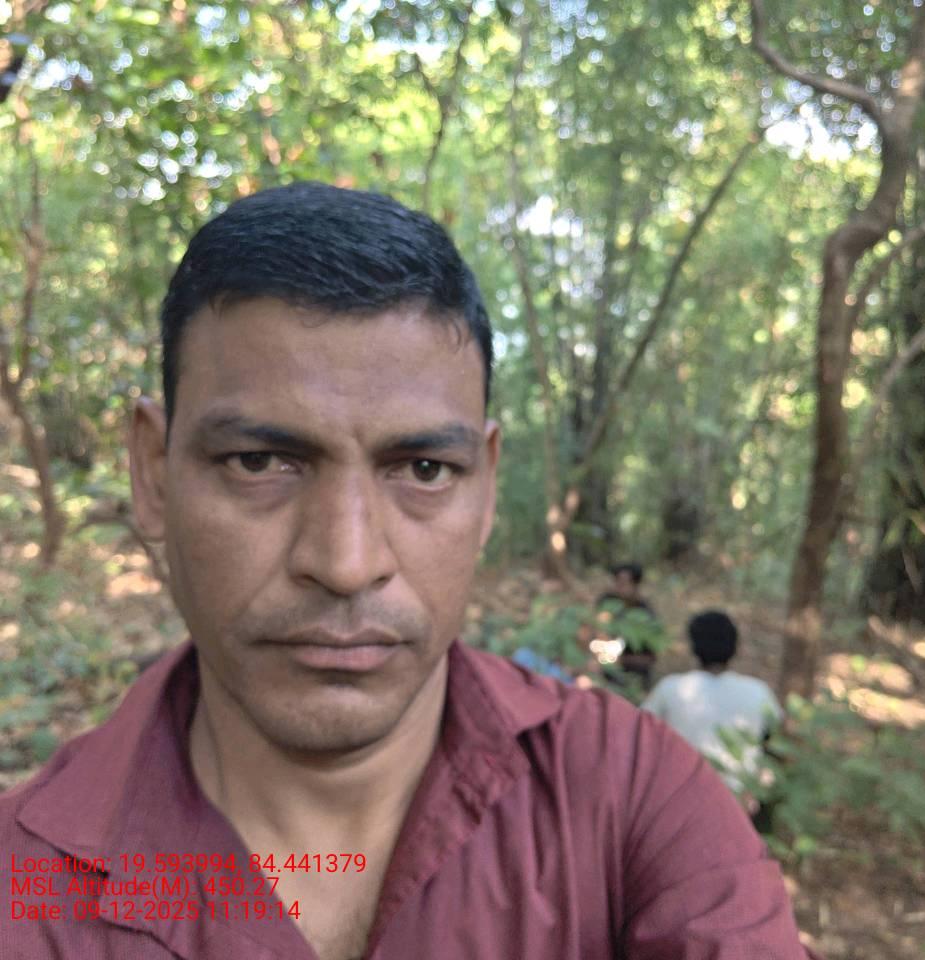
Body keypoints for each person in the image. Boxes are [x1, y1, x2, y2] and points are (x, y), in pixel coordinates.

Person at [0, 183, 816, 959]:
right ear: (152, 473)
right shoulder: (22, 888)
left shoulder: (633, 800)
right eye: (259, 461)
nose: (347, 564)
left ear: (485, 488)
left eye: (424, 470)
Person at [643, 610, 783, 809]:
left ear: (693, 646)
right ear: (735, 647)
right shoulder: (759, 692)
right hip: (741, 804)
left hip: (679, 802)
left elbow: (641, 739)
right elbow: (777, 743)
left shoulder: (670, 689)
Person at [596, 561, 660, 689]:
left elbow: (650, 658)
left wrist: (621, 660)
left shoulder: (645, 614)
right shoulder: (607, 602)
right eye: (617, 583)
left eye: (623, 584)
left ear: (635, 585)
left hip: (635, 676)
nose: (618, 588)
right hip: (607, 673)